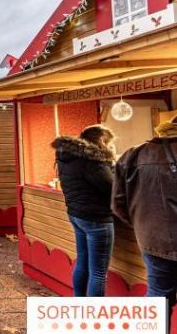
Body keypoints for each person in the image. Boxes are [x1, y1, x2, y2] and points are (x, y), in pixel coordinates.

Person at [113, 116, 177, 327]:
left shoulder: (133, 155)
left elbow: (118, 204)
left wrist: (143, 226)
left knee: (158, 296)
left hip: (152, 242)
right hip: (154, 240)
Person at [51, 125, 116, 297]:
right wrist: (110, 164)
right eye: (108, 143)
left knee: (82, 263)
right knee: (98, 273)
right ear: (101, 140)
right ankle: (93, 317)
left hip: (76, 214)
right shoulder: (93, 162)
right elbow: (112, 189)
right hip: (97, 219)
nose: (109, 147)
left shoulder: (67, 156)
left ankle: (79, 303)